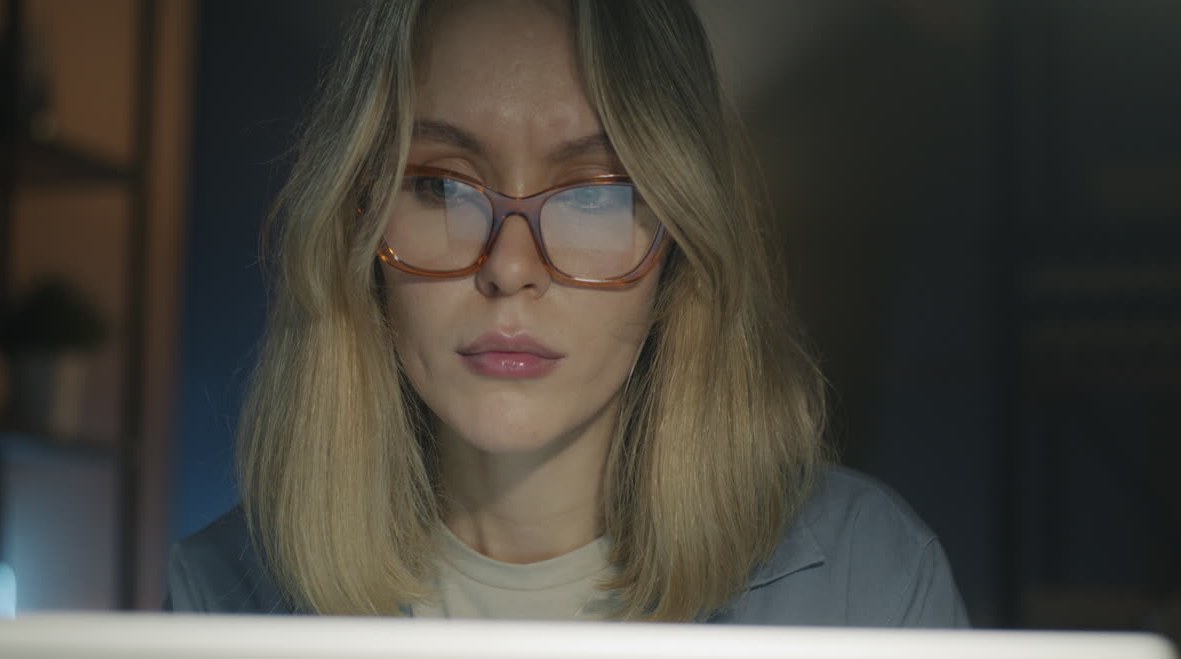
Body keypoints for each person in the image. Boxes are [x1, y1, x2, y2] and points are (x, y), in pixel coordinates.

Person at [166, 0, 968, 626]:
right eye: (442, 186)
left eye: (594, 192)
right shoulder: (215, 592)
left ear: (681, 241)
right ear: (357, 220)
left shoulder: (870, 577)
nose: (511, 267)